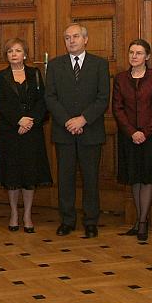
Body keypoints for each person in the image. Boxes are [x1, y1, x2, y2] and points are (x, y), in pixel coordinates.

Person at [45, 23, 110, 238]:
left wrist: (82, 120)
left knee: (91, 179)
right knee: (65, 178)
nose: (71, 41)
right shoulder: (54, 65)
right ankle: (67, 220)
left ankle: (91, 221)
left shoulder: (99, 65)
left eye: (75, 37)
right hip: (64, 132)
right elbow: (50, 98)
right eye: (67, 37)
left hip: (90, 131)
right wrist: (68, 122)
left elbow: (103, 98)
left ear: (85, 39)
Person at [0, 37, 52, 233]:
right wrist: (18, 120)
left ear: (25, 54)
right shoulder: (1, 77)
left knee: (29, 174)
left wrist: (30, 121)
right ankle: (14, 214)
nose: (13, 54)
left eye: (17, 50)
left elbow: (43, 101)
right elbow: (0, 102)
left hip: (32, 132)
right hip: (11, 132)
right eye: (10, 51)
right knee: (13, 174)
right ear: (6, 56)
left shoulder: (35, 74)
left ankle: (27, 215)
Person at [112, 39, 152, 242]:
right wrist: (132, 132)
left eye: (139, 53)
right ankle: (138, 219)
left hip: (150, 137)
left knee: (147, 177)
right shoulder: (121, 79)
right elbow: (117, 108)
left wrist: (145, 132)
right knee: (134, 176)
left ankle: (143, 222)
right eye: (131, 52)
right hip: (128, 136)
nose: (134, 56)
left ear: (147, 56)